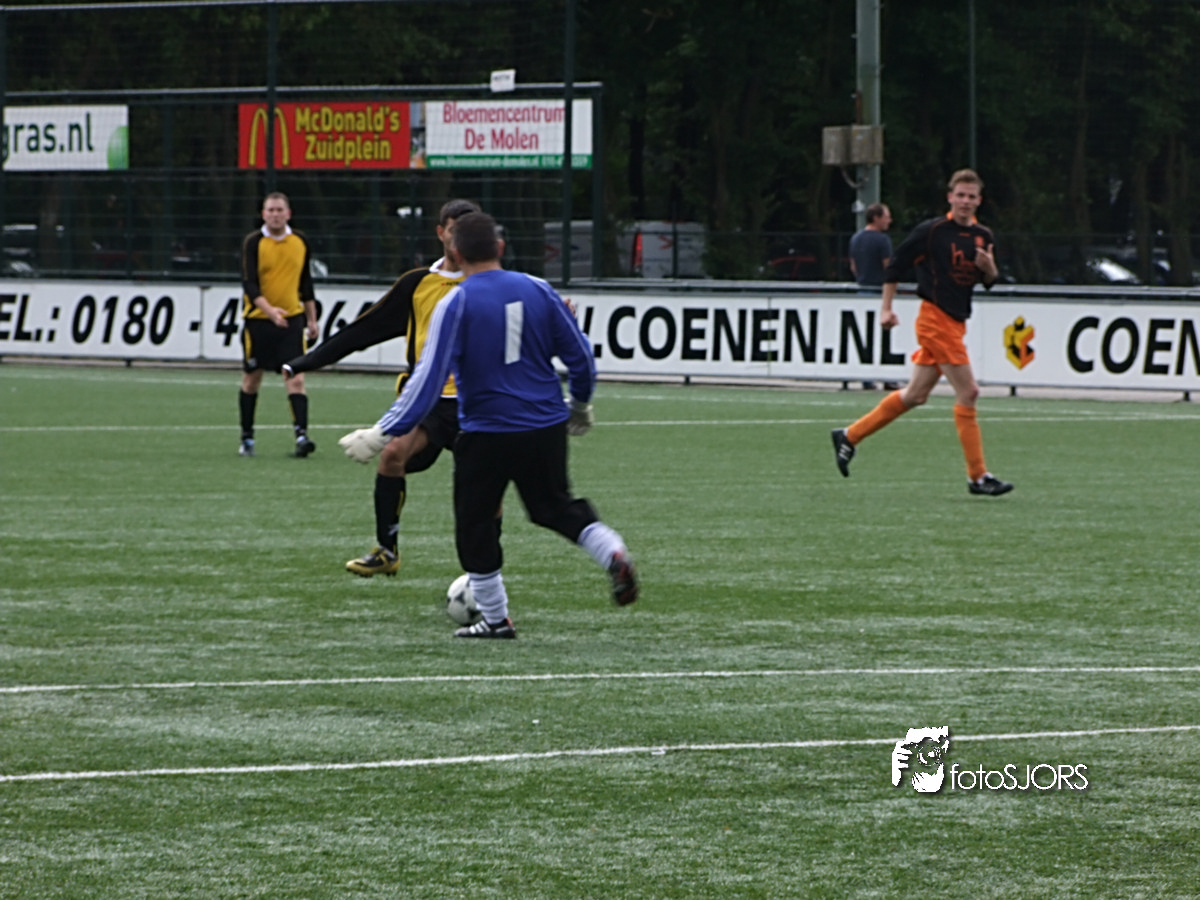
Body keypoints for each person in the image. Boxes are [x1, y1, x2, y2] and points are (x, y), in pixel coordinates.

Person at [338, 211, 639, 638]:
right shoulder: (539, 289)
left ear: (457, 254)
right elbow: (580, 357)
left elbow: (427, 380)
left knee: (475, 523)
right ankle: (612, 552)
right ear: (500, 247)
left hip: (487, 430)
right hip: (544, 425)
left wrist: (381, 432)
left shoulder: (455, 302)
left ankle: (496, 620)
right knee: (554, 507)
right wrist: (580, 405)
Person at [282, 198, 481, 577]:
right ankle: (387, 552)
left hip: (477, 402)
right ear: (441, 233)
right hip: (426, 399)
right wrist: (308, 360)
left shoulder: (490, 283)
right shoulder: (417, 284)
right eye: (455, 231)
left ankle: (484, 574)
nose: (461, 240)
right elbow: (364, 330)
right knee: (392, 454)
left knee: (481, 488)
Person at [831, 169, 1013, 496]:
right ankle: (978, 477)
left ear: (979, 201)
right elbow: (895, 267)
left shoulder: (983, 236)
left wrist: (990, 269)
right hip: (934, 319)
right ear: (950, 197)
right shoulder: (932, 231)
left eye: (971, 196)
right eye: (960, 195)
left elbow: (989, 280)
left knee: (914, 395)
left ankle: (850, 435)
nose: (965, 201)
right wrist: (886, 308)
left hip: (956, 321)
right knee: (969, 392)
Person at [238, 192, 320, 457]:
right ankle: (247, 438)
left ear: (288, 213)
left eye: (279, 210)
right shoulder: (254, 242)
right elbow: (250, 284)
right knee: (252, 379)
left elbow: (305, 283)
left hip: (292, 321)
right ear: (263, 214)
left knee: (295, 378)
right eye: (270, 210)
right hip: (258, 321)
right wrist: (270, 311)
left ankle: (302, 436)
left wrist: (312, 319)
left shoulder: (300, 241)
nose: (275, 214)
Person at [848, 202, 898, 390]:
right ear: (876, 218)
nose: (889, 220)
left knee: (865, 335)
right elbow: (888, 268)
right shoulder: (882, 240)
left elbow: (853, 266)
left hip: (862, 290)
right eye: (886, 216)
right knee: (884, 336)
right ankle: (887, 377)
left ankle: (866, 378)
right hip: (880, 292)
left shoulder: (856, 238)